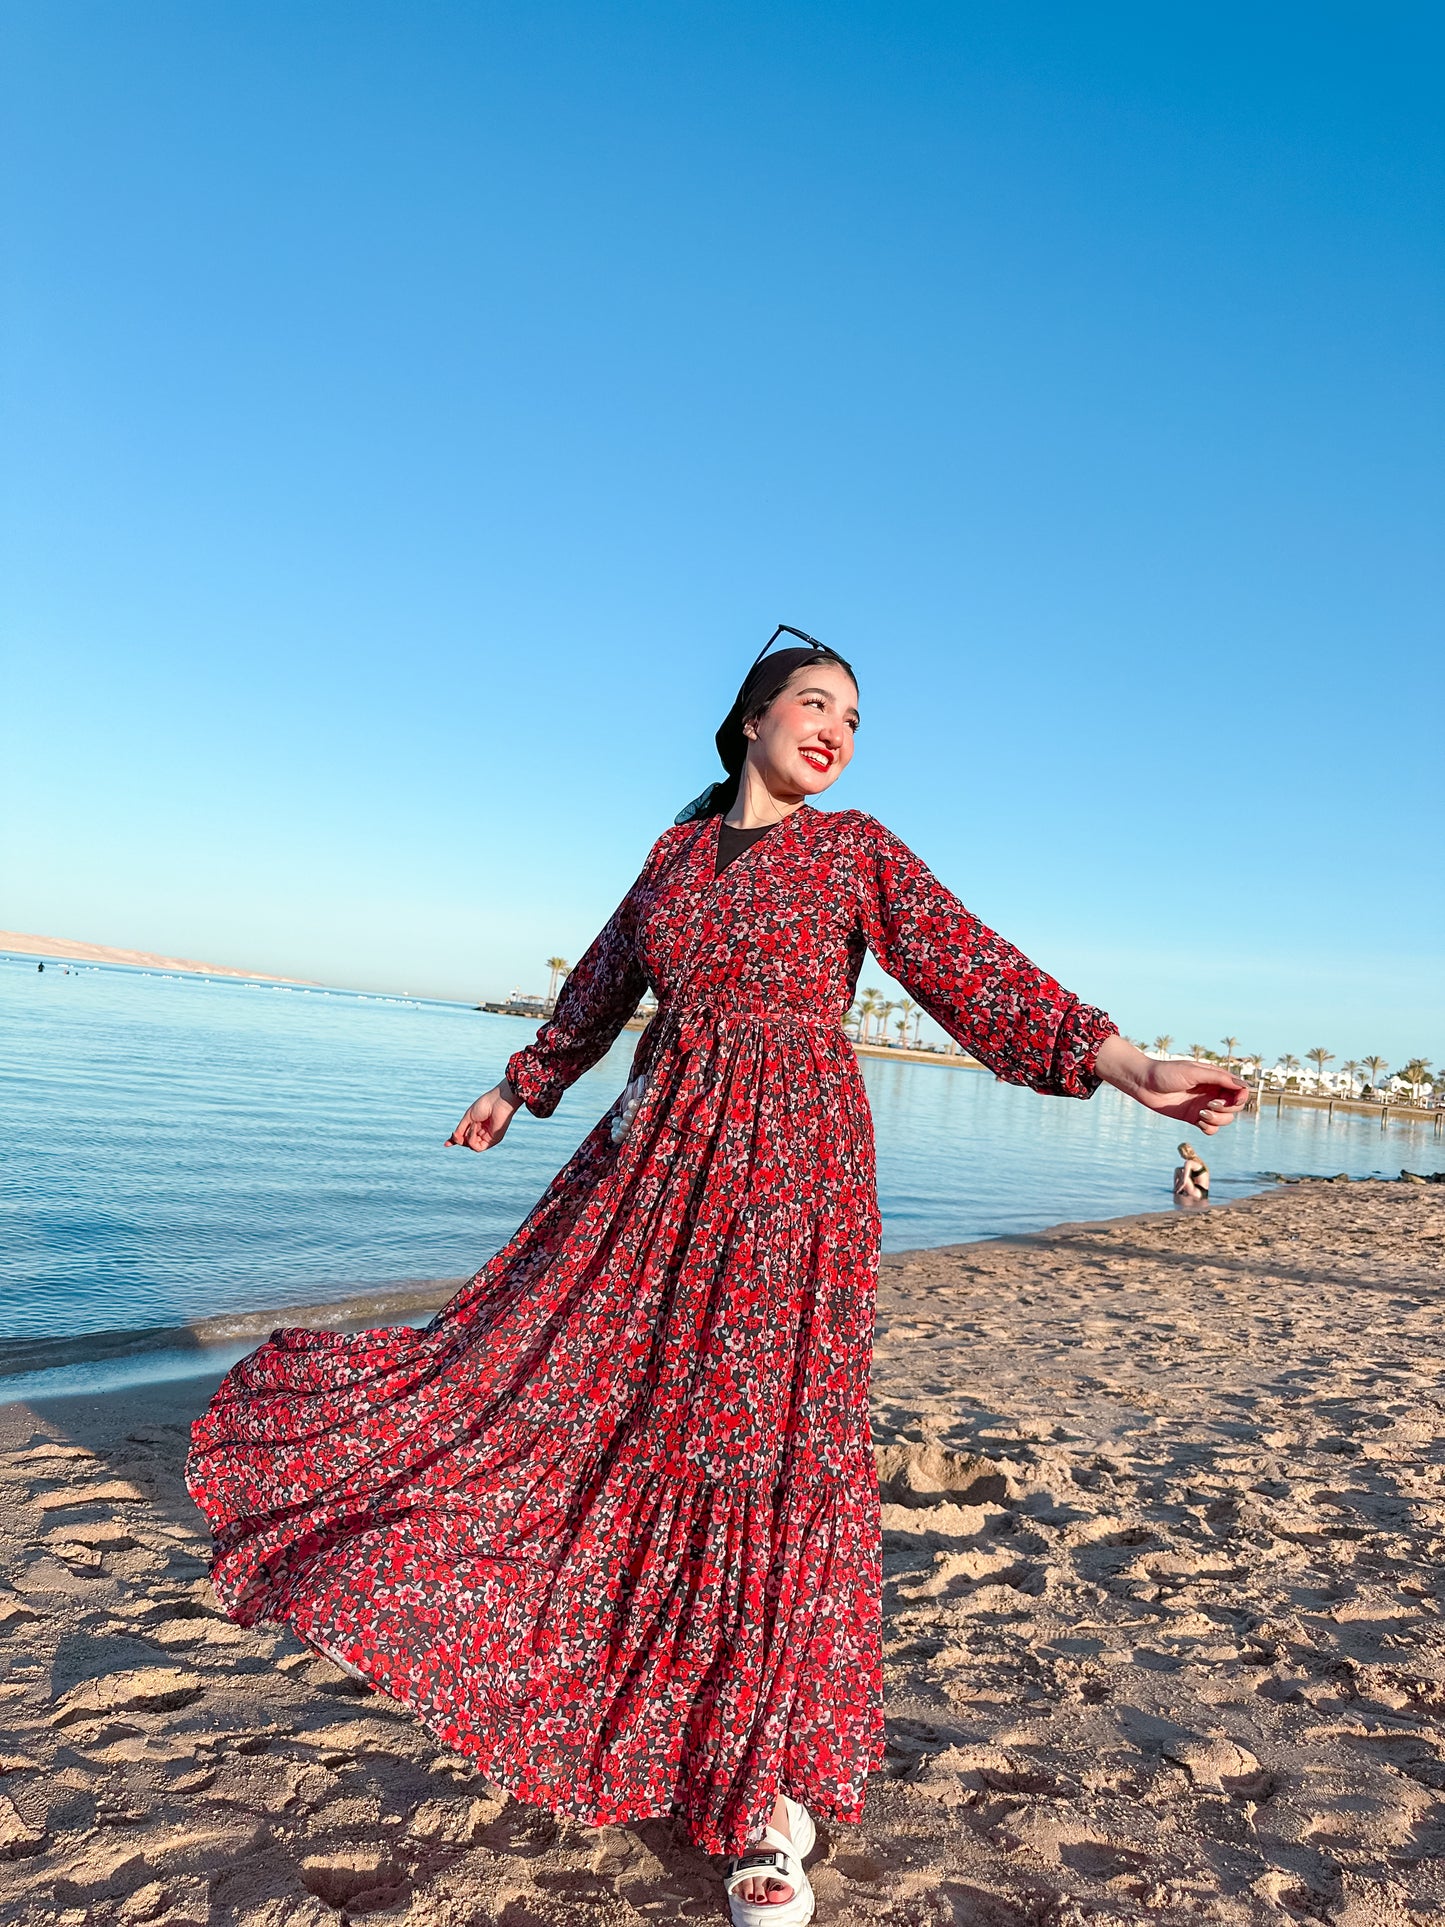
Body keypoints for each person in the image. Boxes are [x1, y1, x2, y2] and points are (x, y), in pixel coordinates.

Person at [187, 632, 1247, 1925]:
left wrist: (1123, 1066)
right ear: (749, 718)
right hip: (653, 1169)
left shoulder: (854, 850)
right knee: (564, 1389)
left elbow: (972, 970)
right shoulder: (672, 860)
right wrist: (517, 1088)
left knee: (774, 1451)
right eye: (815, 704)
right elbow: (596, 989)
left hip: (794, 1168)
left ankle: (768, 1801)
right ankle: (666, 1711)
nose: (838, 731)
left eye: (855, 717)